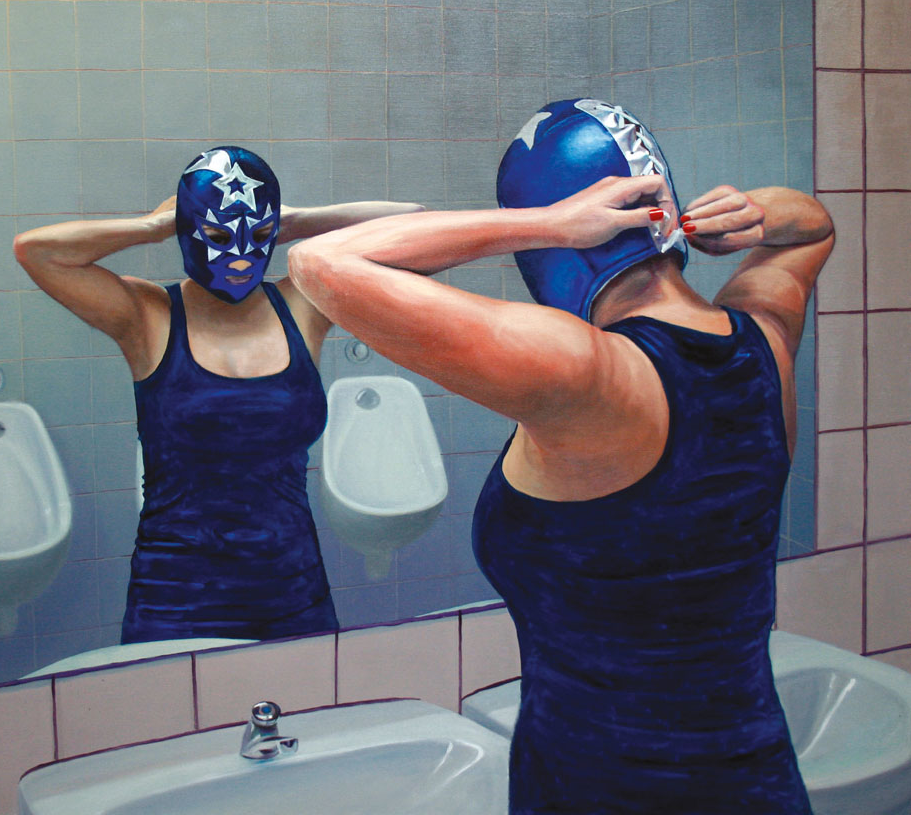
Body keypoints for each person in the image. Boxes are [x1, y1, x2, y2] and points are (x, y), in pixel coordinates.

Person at [287, 99, 833, 813]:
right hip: (758, 780)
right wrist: (756, 213)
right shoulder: (764, 341)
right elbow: (813, 228)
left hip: (601, 789)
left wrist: (545, 223)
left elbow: (320, 262)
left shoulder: (584, 373)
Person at [14, 146, 421, 643]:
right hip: (175, 598)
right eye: (220, 237)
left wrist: (296, 221)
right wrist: (153, 225)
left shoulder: (304, 305)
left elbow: (414, 225)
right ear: (189, 230)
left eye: (261, 236)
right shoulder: (147, 315)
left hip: (295, 591)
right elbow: (36, 252)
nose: (242, 255)